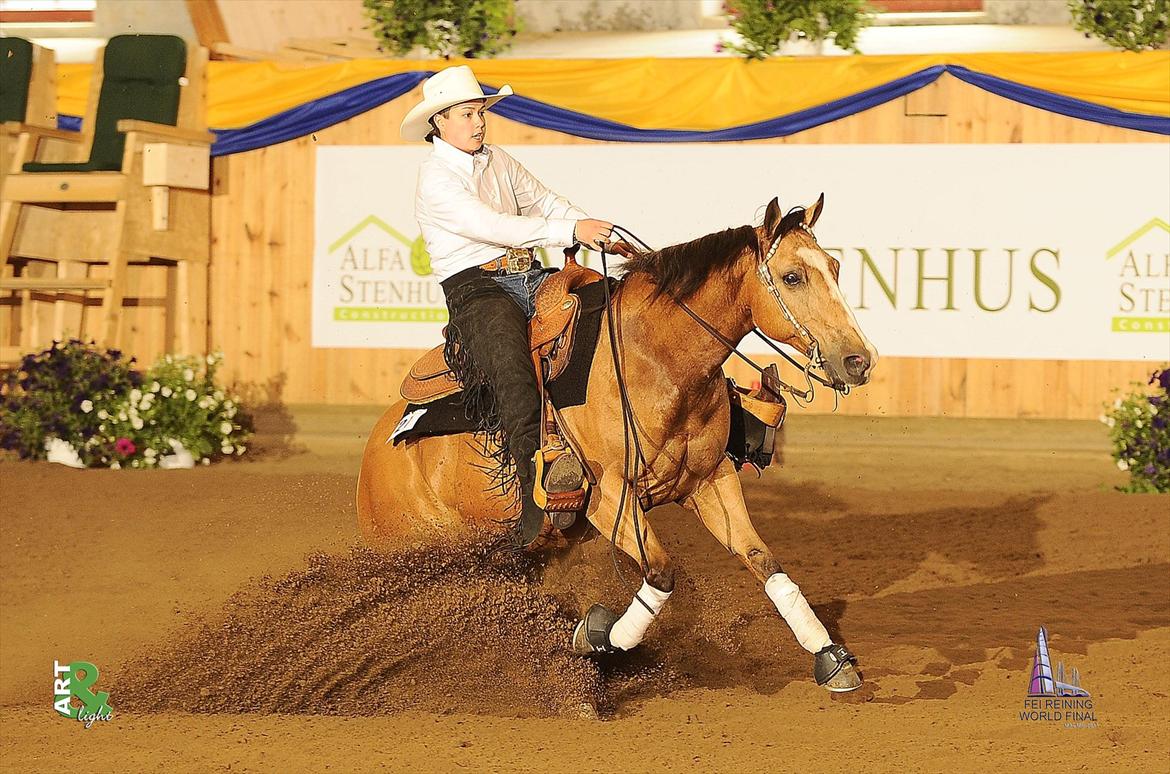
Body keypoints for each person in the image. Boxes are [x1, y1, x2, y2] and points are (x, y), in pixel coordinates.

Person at [401, 65, 613, 547]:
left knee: (606, 306)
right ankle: (534, 507)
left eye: (480, 113)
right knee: (514, 377)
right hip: (475, 288)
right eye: (468, 114)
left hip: (527, 273)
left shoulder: (497, 160)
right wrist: (570, 232)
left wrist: (596, 228)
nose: (478, 123)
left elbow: (544, 202)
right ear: (440, 123)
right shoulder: (434, 178)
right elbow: (489, 225)